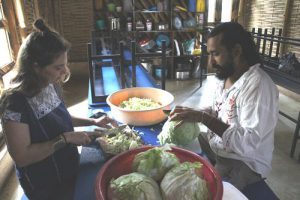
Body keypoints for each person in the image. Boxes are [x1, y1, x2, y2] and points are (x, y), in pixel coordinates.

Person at [0, 19, 118, 200]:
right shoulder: (14, 102)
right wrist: (65, 138)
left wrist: (93, 122)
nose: (65, 72)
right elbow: (22, 156)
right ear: (35, 66)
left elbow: (59, 117)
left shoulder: (49, 83)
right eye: (58, 67)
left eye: (65, 64)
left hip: (67, 166)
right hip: (43, 184)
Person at [169, 22, 279, 190]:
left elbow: (248, 144)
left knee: (199, 189)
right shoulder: (227, 76)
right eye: (209, 54)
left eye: (216, 54)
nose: (210, 62)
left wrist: (203, 118)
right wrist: (194, 113)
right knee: (184, 148)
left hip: (243, 162)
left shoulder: (258, 86)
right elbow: (217, 110)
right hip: (221, 148)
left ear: (236, 51)